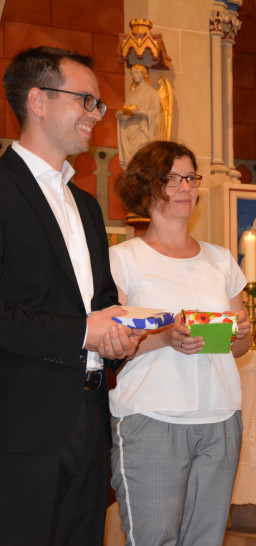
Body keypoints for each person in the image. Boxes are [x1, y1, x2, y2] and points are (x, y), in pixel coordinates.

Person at [0, 46, 142, 545]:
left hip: (89, 418)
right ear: (37, 100)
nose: (95, 115)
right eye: (86, 100)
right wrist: (85, 332)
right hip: (21, 428)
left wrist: (120, 334)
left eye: (97, 104)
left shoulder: (85, 205)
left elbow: (99, 303)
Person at [108, 140, 253, 545]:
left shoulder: (220, 259)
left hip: (220, 416)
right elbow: (111, 345)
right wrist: (165, 338)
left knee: (205, 539)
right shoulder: (123, 260)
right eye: (172, 179)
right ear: (145, 186)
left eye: (191, 177)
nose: (186, 187)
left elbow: (240, 347)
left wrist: (240, 334)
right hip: (151, 416)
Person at [116, 64, 161, 169]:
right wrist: (122, 114)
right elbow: (126, 109)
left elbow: (155, 113)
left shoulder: (152, 92)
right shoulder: (131, 94)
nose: (134, 75)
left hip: (142, 130)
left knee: (142, 161)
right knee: (131, 164)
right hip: (130, 131)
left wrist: (141, 113)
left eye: (136, 72)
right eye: (132, 73)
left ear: (143, 74)